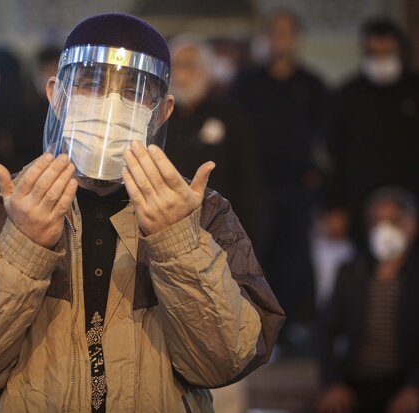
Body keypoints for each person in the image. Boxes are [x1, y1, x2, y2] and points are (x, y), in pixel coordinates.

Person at [0, 13, 284, 412]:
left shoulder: (203, 215)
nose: (110, 105)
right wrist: (22, 246)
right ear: (56, 95)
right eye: (91, 83)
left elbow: (226, 362)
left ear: (161, 112)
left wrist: (178, 242)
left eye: (134, 92)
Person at [232, 9, 329, 336]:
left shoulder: (312, 86)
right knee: (257, 259)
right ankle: (256, 329)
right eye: (274, 32)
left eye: (286, 32)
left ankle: (294, 330)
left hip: (298, 190)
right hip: (257, 190)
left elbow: (326, 140)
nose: (280, 39)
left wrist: (317, 177)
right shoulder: (247, 85)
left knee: (295, 262)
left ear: (296, 38)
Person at [317, 187, 419, 413]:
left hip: (403, 381)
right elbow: (327, 329)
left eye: (394, 220)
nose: (385, 229)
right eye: (378, 221)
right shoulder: (351, 271)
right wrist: (333, 383)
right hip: (357, 383)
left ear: (412, 225)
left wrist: (414, 387)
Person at [326, 18, 419, 242]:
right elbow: (333, 154)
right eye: (373, 52)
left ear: (400, 49)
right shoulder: (348, 95)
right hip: (360, 207)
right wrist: (335, 206)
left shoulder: (414, 90)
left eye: (386, 51)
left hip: (412, 202)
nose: (380, 58)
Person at [164, 34, 261, 238]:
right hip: (168, 224)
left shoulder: (231, 117)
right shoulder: (161, 117)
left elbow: (247, 177)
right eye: (176, 65)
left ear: (206, 71)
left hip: (219, 225)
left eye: (189, 65)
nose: (180, 74)